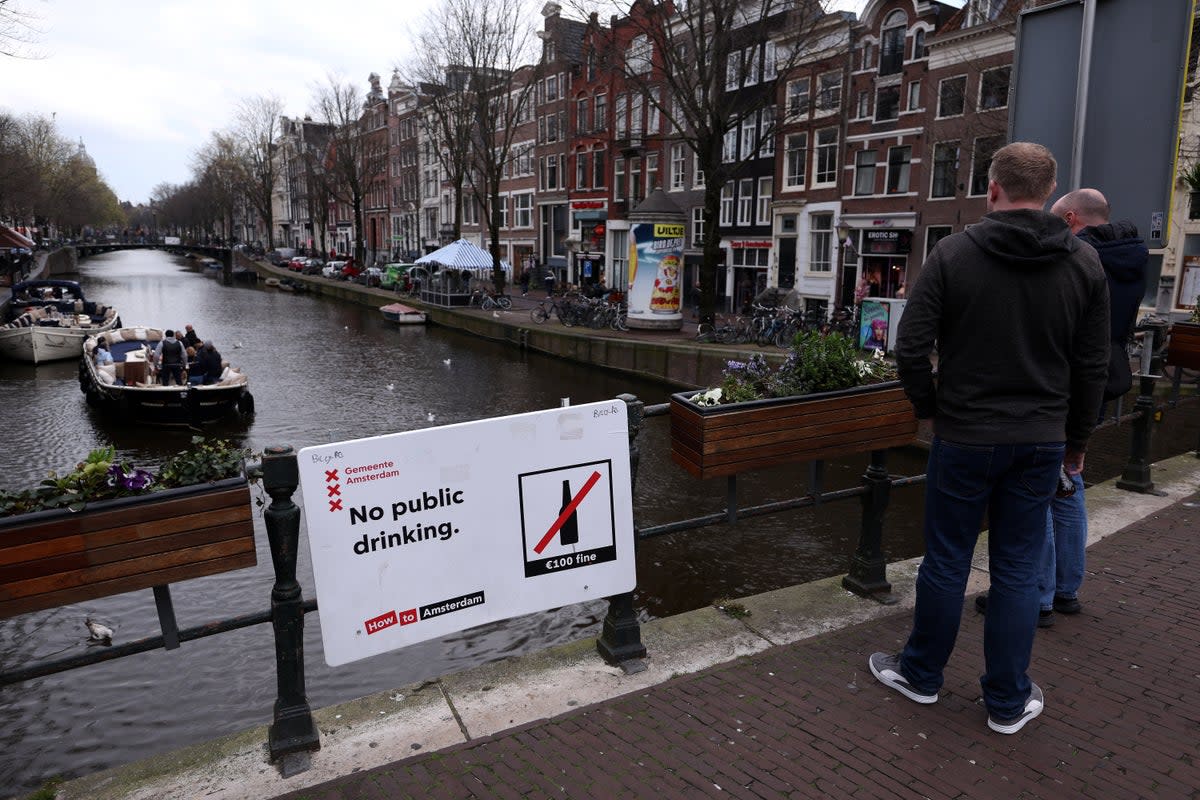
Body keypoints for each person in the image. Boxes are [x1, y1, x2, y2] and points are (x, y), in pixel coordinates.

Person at [869, 142, 1110, 735]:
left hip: (966, 435)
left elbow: (909, 346)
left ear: (992, 189)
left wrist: (932, 410)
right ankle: (1007, 700)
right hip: (1041, 440)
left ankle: (922, 676)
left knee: (947, 560)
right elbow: (1092, 367)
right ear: (1050, 195)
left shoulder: (952, 254)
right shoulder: (1084, 265)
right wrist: (1076, 442)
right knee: (1019, 568)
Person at [1039, 187, 1148, 617]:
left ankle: (1039, 594)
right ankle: (1066, 588)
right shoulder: (1132, 259)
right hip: (1098, 386)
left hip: (1061, 387)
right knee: (1070, 481)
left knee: (1040, 490)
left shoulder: (1077, 260)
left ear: (1070, 220)